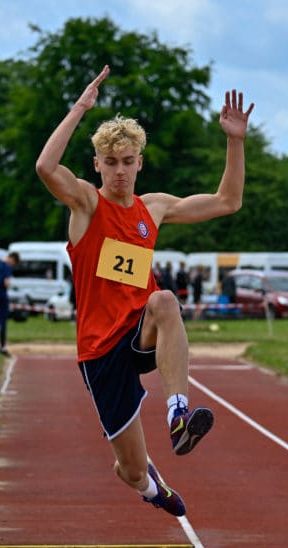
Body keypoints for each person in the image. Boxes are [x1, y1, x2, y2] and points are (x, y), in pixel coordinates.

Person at [34, 65, 253, 517]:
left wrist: (235, 141)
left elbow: (229, 202)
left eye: (127, 162)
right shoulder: (85, 202)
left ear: (139, 163)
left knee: (165, 299)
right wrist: (81, 107)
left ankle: (177, 416)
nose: (119, 172)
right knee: (130, 469)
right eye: (110, 163)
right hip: (100, 348)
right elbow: (44, 167)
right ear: (97, 164)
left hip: (141, 331)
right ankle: (149, 485)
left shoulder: (153, 209)